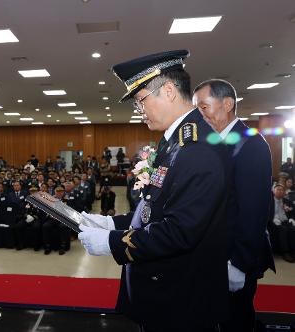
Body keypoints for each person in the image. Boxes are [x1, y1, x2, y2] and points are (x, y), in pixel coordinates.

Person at [78, 50, 229, 332]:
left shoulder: (197, 149)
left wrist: (111, 241)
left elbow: (179, 232)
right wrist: (112, 222)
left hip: (181, 300)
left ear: (169, 90)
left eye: (141, 101)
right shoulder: (174, 143)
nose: (140, 110)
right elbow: (156, 209)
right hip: (165, 291)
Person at [193, 78, 276, 331]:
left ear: (227, 104)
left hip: (236, 257)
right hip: (214, 252)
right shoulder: (214, 142)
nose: (199, 114)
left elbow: (255, 210)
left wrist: (238, 264)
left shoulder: (250, 144)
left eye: (203, 107)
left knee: (235, 321)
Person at [270, 184, 295, 262]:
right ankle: (285, 252)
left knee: (292, 229)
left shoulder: (287, 201)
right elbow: (265, 213)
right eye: (278, 189)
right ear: (273, 191)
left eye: (282, 190)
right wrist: (272, 219)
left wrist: (292, 218)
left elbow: (293, 212)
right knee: (283, 230)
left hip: (286, 221)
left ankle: (293, 251)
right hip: (274, 222)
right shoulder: (269, 201)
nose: (280, 191)